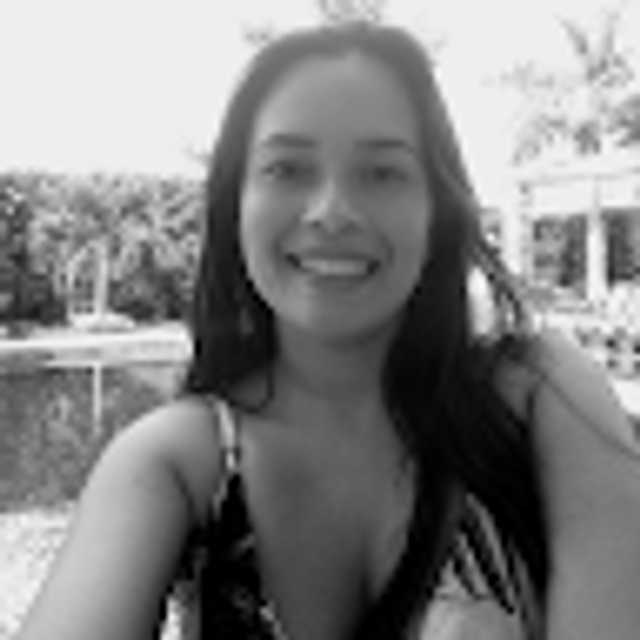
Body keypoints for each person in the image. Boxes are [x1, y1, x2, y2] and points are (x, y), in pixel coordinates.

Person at [17, 21, 640, 640]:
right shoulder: (180, 463)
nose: (332, 212)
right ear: (236, 207)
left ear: (437, 211)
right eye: (288, 169)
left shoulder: (538, 397)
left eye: (382, 173)